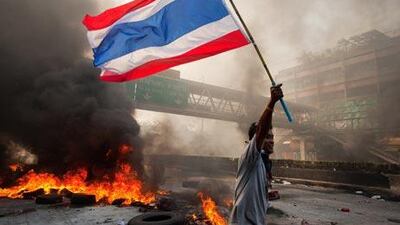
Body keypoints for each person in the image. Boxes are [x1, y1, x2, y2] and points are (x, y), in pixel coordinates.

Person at [229, 84, 283, 225]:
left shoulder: (263, 163)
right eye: (268, 137)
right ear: (256, 139)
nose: (272, 141)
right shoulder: (250, 156)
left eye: (272, 137)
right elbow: (261, 130)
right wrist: (272, 103)